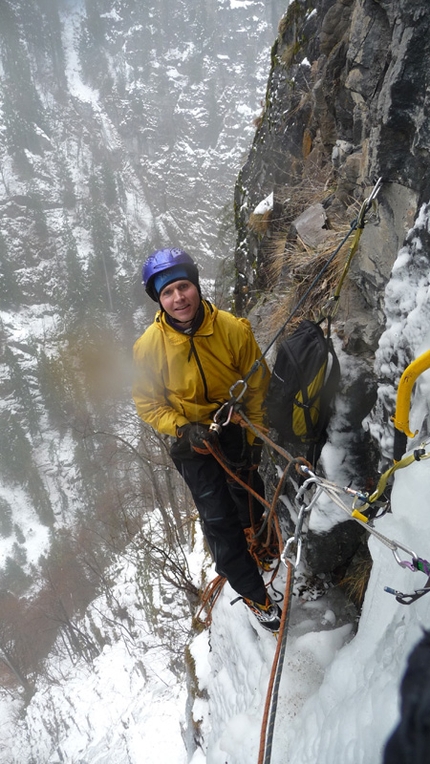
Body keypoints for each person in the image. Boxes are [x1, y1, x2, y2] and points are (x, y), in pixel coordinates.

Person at [132, 247, 281, 632]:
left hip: (234, 425)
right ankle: (256, 595)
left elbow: (257, 387)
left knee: (249, 492)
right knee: (217, 518)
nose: (178, 298)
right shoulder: (149, 347)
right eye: (167, 292)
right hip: (191, 441)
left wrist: (256, 436)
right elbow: (148, 404)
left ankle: (258, 544)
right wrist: (182, 427)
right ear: (159, 300)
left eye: (183, 287)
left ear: (196, 286)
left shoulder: (232, 329)